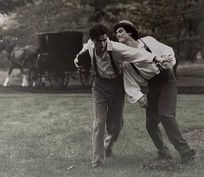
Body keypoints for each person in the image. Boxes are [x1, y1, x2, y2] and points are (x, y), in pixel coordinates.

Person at [74, 23, 169, 167]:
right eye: (98, 41)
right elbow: (78, 60)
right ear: (93, 40)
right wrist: (79, 63)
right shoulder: (89, 47)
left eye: (104, 39)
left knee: (116, 125)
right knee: (99, 122)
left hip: (117, 86)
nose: (102, 43)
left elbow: (138, 54)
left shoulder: (116, 48)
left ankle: (108, 145)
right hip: (99, 87)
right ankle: (97, 161)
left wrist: (155, 58)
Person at [113, 20, 196, 164]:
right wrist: (139, 97)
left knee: (166, 115)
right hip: (152, 86)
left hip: (167, 80)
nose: (117, 34)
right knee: (151, 124)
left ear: (130, 32)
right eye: (116, 33)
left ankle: (186, 152)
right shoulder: (127, 61)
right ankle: (163, 153)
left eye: (120, 31)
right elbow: (129, 83)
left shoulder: (148, 41)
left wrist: (168, 60)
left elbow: (168, 50)